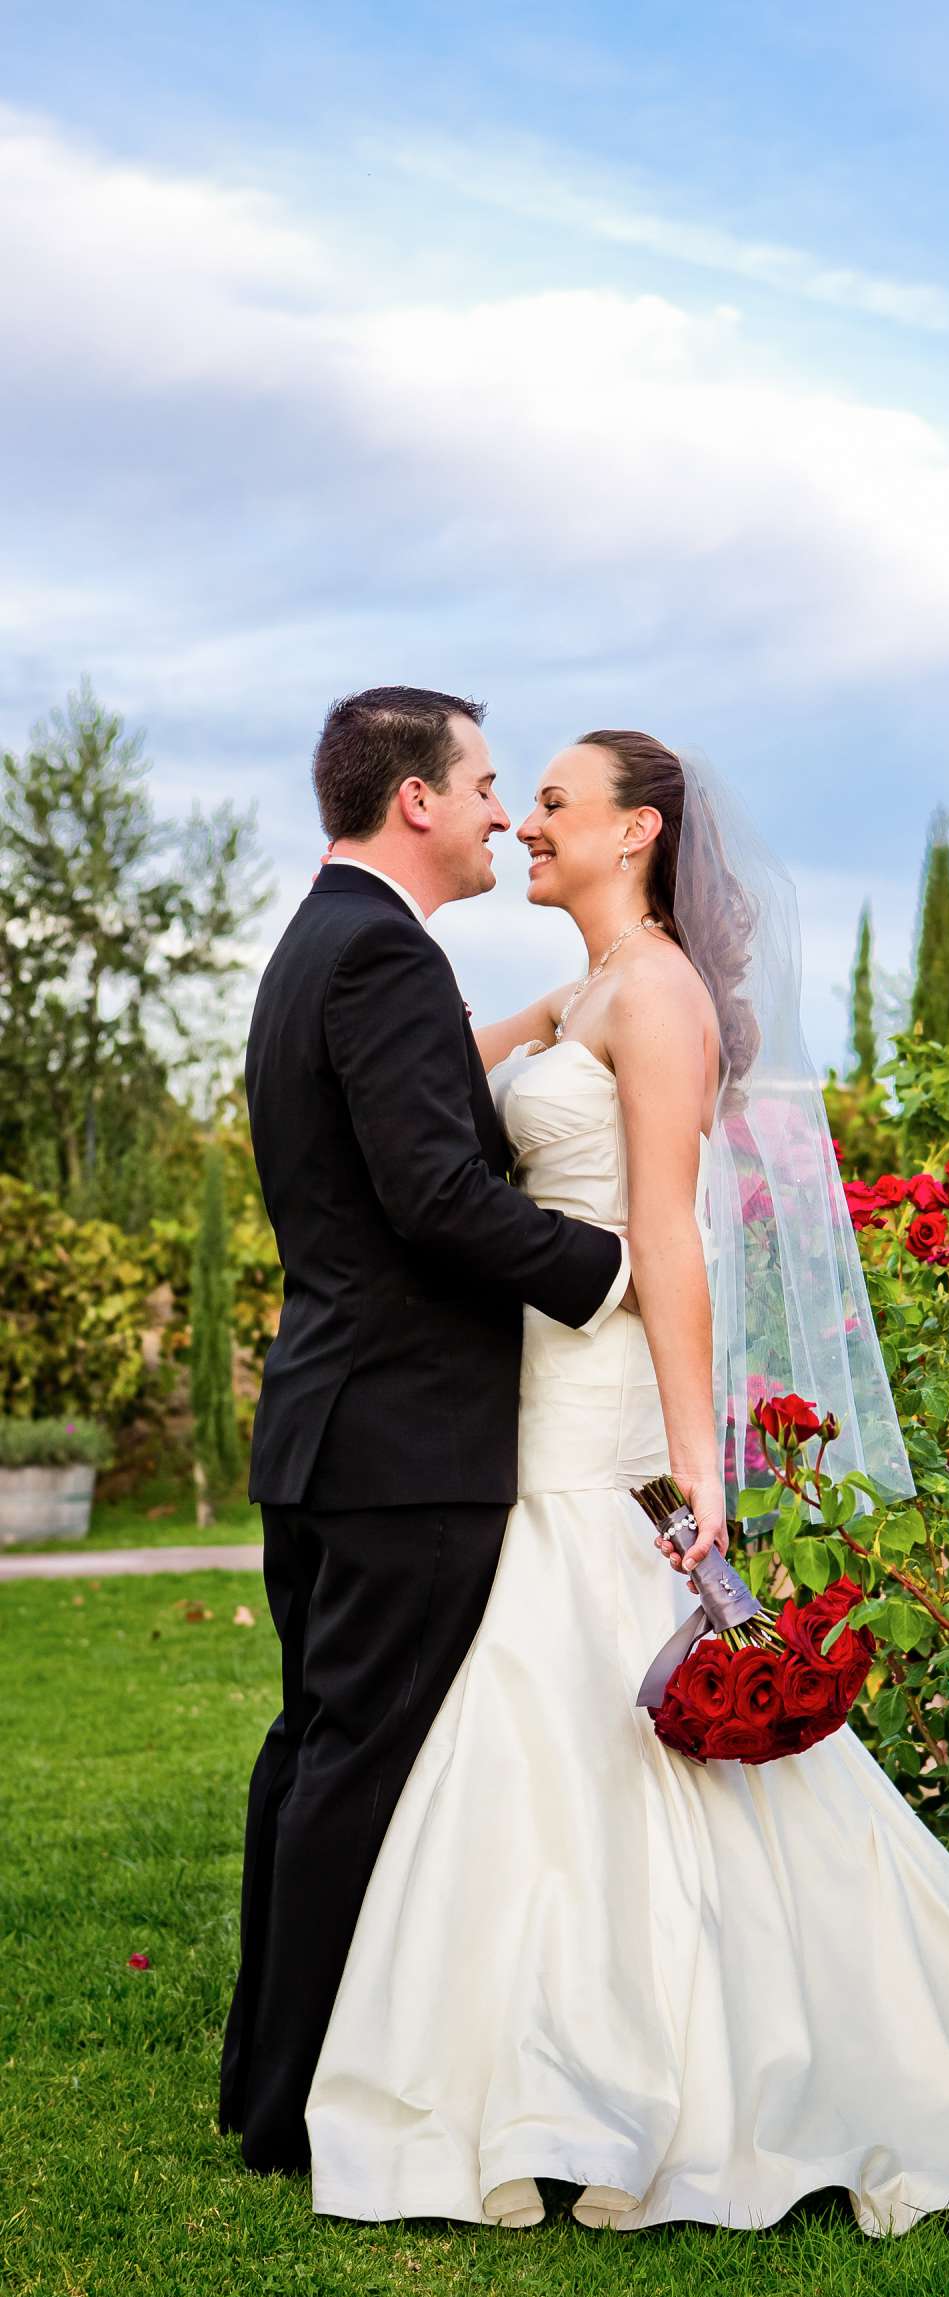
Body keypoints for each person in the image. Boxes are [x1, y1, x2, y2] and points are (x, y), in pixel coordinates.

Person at [301, 729, 949, 2258]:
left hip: (613, 1404)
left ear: (637, 832)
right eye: (518, 799)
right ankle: (543, 2072)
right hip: (536, 1393)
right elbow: (432, 1084)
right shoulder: (581, 992)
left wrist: (700, 1461)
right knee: (547, 1717)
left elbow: (675, 1236)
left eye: (554, 804)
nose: (527, 824)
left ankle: (637, 2078)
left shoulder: (663, 999)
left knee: (583, 1699)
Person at [220, 690, 630, 2175]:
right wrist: (615, 1272)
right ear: (415, 801)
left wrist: (545, 1020)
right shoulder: (383, 950)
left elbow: (415, 1105)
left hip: (331, 1424)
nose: (500, 811)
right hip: (403, 1443)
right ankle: (302, 2105)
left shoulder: (324, 941)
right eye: (482, 783)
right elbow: (438, 1201)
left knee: (316, 1750)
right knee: (362, 1762)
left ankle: (266, 2084)